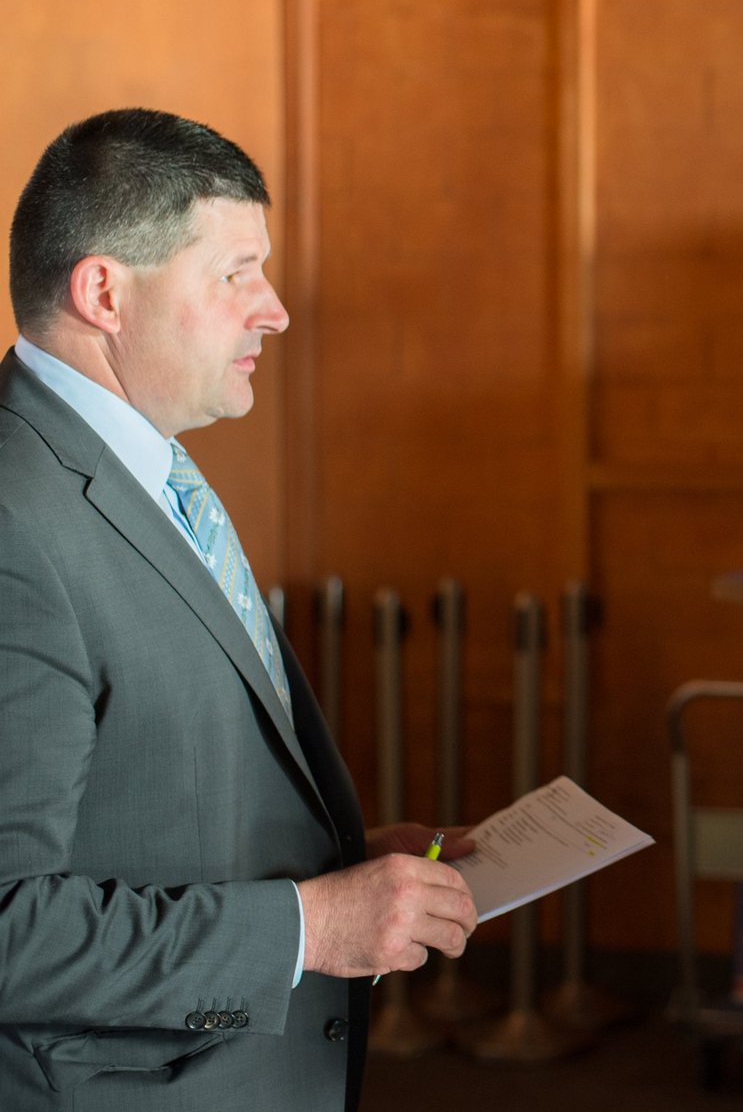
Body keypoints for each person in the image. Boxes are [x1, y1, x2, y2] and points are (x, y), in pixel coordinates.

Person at [0, 108, 478, 1112]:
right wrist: (311, 926)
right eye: (236, 272)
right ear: (104, 292)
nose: (275, 309)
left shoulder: (146, 471)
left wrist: (337, 868)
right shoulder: (14, 520)